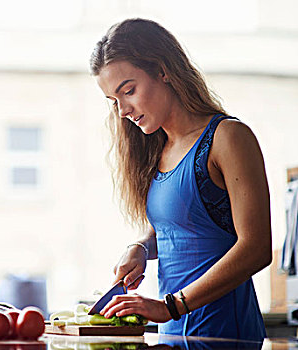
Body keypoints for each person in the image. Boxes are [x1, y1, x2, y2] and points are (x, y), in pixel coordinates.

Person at [89, 18, 271, 341]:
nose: (123, 111)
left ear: (163, 70)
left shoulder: (227, 138)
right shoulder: (160, 150)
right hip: (172, 337)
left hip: (224, 339)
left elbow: (256, 248)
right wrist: (142, 247)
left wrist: (171, 306)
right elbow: (182, 229)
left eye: (128, 91)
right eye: (114, 101)